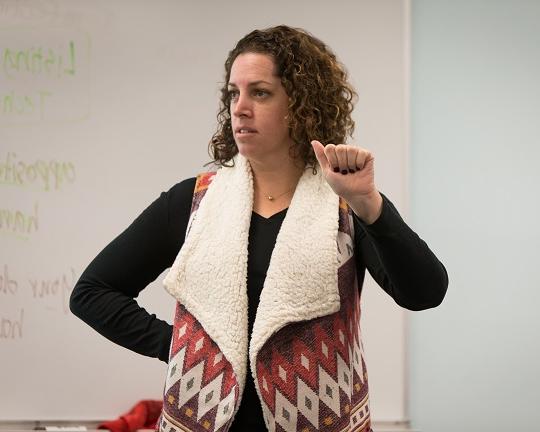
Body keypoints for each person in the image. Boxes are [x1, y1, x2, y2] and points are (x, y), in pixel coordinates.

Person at [70, 25, 448, 432]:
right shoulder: (194, 201)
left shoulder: (344, 203)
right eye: (234, 93)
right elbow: (91, 293)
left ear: (301, 104)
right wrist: (177, 347)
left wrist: (369, 203)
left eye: (260, 92)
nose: (240, 107)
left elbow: (425, 293)